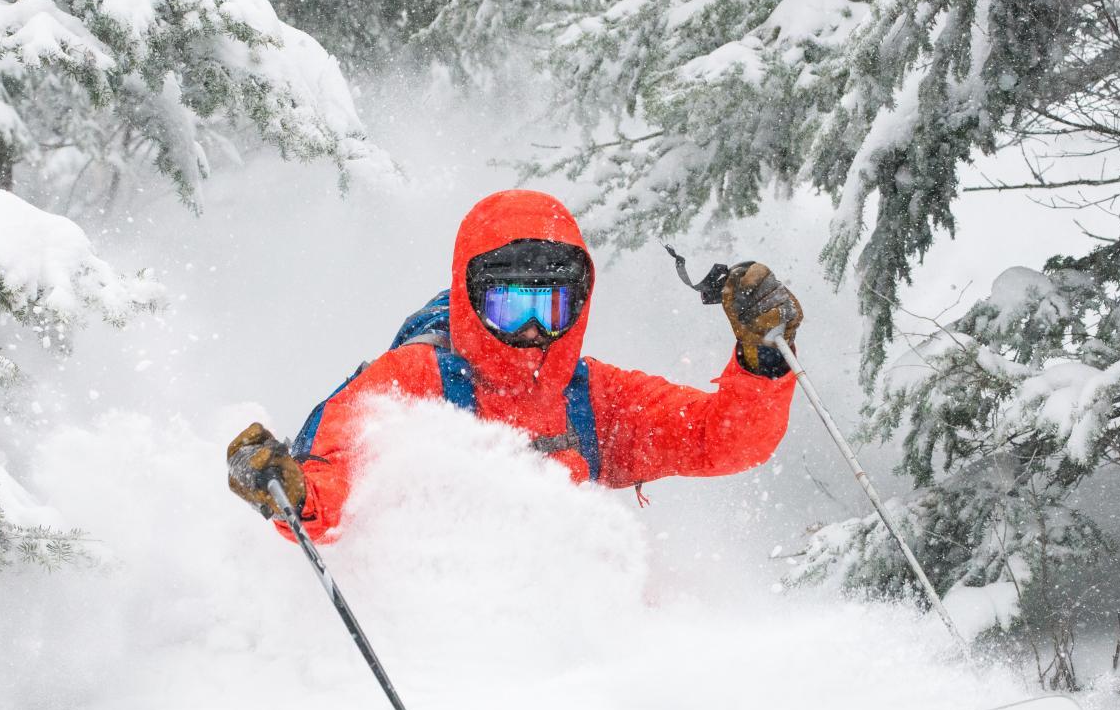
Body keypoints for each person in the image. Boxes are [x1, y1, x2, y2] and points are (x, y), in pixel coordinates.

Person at [226, 189, 802, 541]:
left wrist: (765, 360)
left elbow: (721, 440)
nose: (531, 331)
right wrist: (296, 492)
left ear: (577, 306)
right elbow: (338, 475)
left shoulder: (593, 398)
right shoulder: (415, 379)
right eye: (509, 306)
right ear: (471, 300)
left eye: (550, 307)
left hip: (576, 643)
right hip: (444, 636)